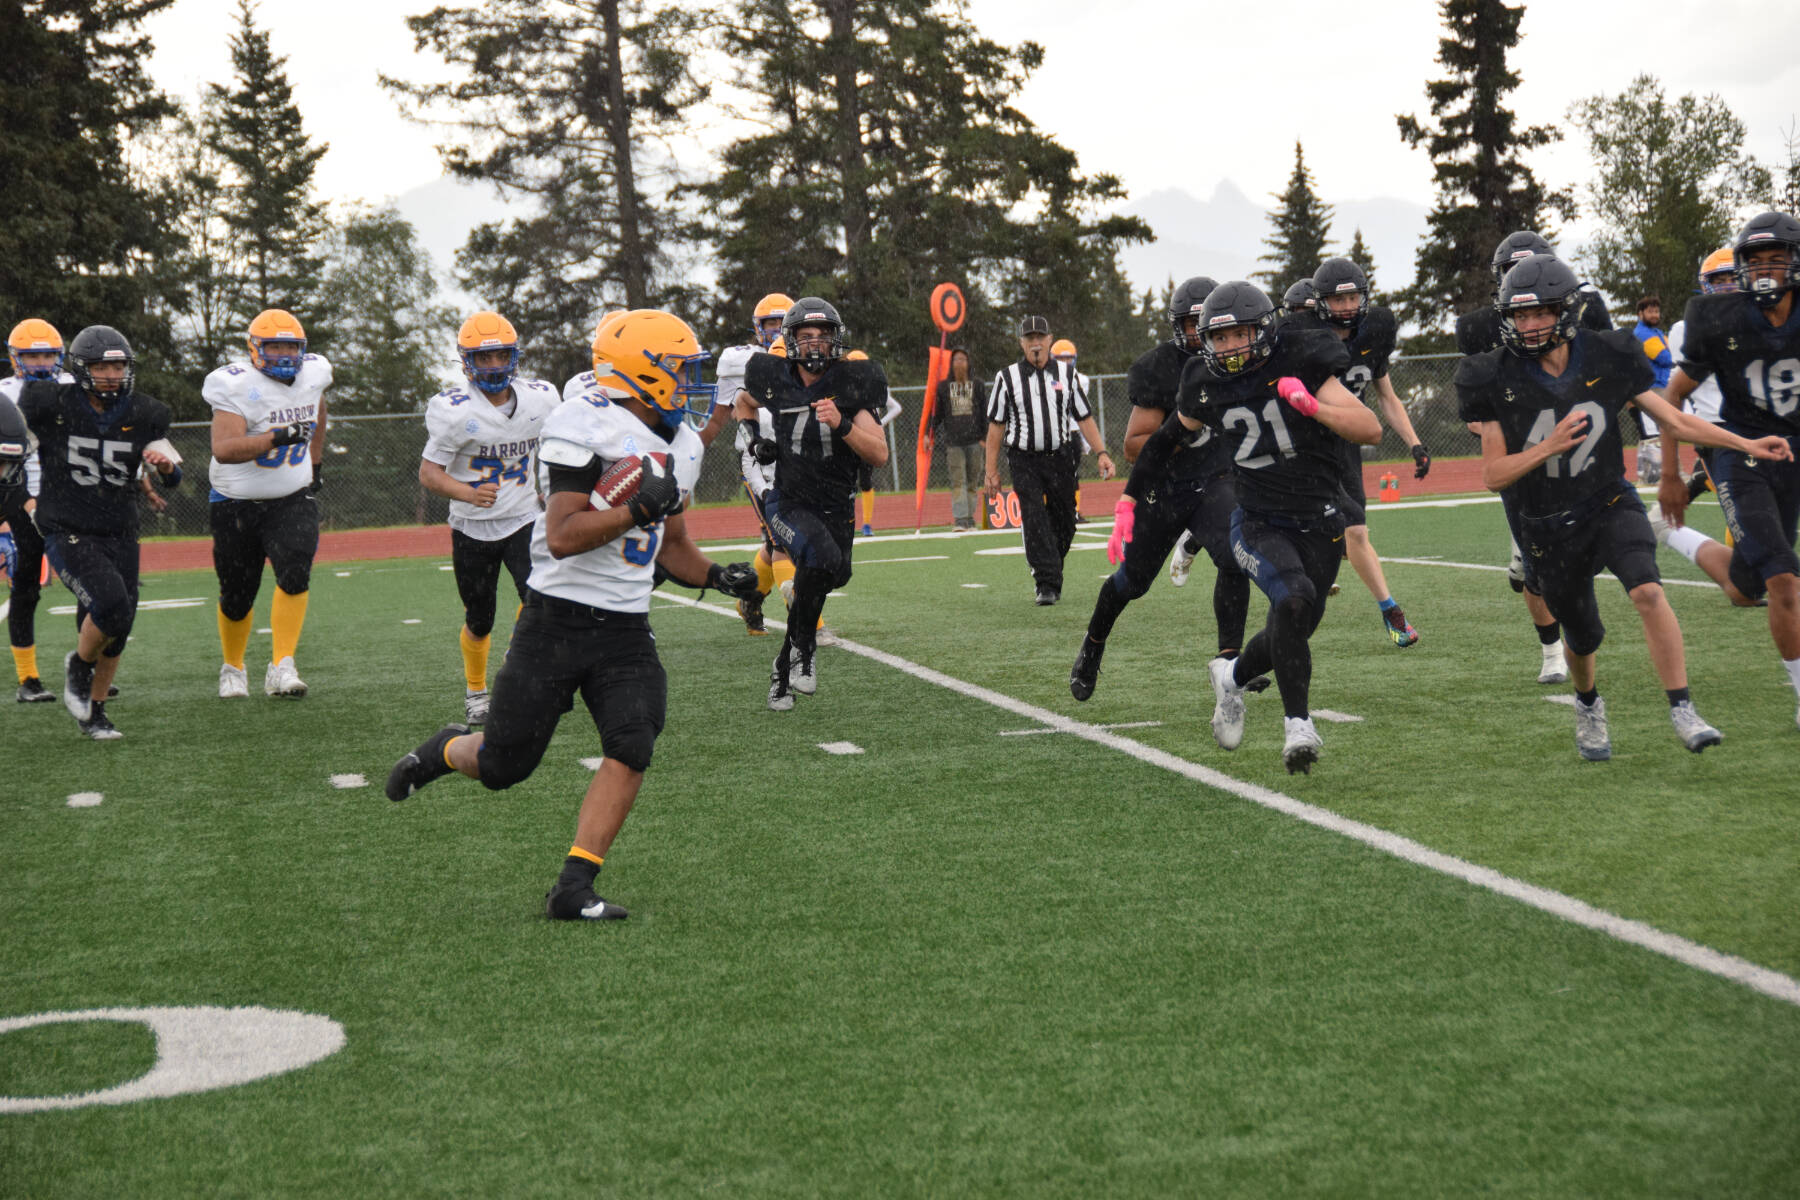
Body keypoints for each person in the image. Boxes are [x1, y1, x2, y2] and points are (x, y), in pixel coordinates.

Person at [385, 310, 759, 921]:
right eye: (677, 367)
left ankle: (574, 886)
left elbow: (672, 544)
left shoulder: (682, 440)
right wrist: (636, 509)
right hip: (555, 620)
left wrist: (718, 577)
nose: (687, 380)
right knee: (505, 766)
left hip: (626, 625)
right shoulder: (583, 424)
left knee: (634, 738)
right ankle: (447, 750)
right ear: (641, 369)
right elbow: (561, 535)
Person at [1459, 253, 1789, 759]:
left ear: (1566, 310)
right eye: (1519, 315)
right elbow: (1491, 476)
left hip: (1608, 498)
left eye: (1539, 313)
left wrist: (1746, 444)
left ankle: (1682, 707)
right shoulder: (1492, 375)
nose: (1527, 325)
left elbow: (1672, 420)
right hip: (1547, 522)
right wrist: (1546, 448)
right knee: (1583, 635)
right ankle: (1587, 701)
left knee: (1648, 590)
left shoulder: (1608, 352)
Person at [1110, 282, 1380, 773]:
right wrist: (1129, 499)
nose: (1230, 347)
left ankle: (1232, 678)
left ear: (1264, 330)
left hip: (1319, 519)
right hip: (1256, 519)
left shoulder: (1300, 356)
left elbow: (1370, 429)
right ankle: (1298, 727)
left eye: (1240, 335)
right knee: (1293, 598)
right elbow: (1163, 440)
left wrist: (1313, 407)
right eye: (1220, 337)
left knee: (1292, 626)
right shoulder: (1203, 380)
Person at [1070, 276, 1253, 702]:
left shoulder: (1236, 363)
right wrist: (1181, 433)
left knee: (1234, 555)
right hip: (1165, 489)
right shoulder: (1162, 367)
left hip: (1214, 482)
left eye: (1204, 324)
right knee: (1133, 581)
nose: (1200, 333)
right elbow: (1134, 447)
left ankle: (1228, 665)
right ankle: (1093, 644)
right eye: (1191, 324)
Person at [1654, 211, 1800, 729]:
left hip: (1793, 448)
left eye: (1775, 260)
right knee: (1783, 578)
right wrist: (1671, 475)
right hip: (1738, 449)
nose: (1764, 271)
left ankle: (1669, 536)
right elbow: (1673, 397)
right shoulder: (1723, 318)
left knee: (1746, 587)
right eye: (1754, 262)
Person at [1457, 231, 1614, 686]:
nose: (1523, 288)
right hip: (1525, 460)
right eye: (1511, 275)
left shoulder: (1586, 310)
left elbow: (1613, 380)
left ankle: (1580, 634)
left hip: (1582, 451)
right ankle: (1551, 651)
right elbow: (1477, 416)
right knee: (1538, 568)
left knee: (1596, 555)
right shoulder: (1481, 328)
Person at [18, 325, 181, 739]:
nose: (111, 373)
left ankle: (96, 711)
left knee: (120, 623)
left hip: (120, 528)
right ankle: (79, 666)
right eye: (102, 365)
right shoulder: (51, 403)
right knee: (109, 604)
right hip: (66, 526)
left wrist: (165, 467)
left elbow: (174, 476)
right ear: (81, 368)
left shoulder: (146, 412)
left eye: (119, 365)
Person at [736, 297, 890, 708]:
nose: (816, 345)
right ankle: (804, 650)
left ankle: (783, 667)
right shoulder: (775, 377)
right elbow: (742, 402)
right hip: (788, 502)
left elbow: (878, 453)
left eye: (823, 336)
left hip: (837, 506)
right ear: (791, 342)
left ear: (836, 341)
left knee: (831, 575)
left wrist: (841, 425)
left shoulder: (851, 383)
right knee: (820, 560)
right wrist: (755, 440)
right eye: (806, 337)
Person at [419, 311, 561, 724]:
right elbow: (429, 473)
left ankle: (516, 661)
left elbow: (558, 445)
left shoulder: (541, 398)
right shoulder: (452, 409)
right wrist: (467, 492)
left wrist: (550, 486)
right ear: (467, 361)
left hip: (523, 517)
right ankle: (476, 690)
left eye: (500, 355)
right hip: (472, 526)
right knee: (479, 619)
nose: (494, 365)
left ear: (514, 356)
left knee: (539, 598)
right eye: (484, 358)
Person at [1296, 257, 1430, 647]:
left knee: (1354, 528)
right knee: (1331, 525)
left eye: (1353, 297)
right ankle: (1383, 609)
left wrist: (1414, 443)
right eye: (1338, 300)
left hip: (1345, 444)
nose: (1347, 307)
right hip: (1305, 442)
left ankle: (1387, 610)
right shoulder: (1306, 339)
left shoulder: (1371, 336)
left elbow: (1386, 396)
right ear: (1320, 303)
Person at [202, 309, 329, 700]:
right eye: (274, 346)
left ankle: (282, 664)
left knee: (295, 570)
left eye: (290, 346)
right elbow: (223, 450)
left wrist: (316, 461)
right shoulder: (233, 384)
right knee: (237, 595)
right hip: (235, 502)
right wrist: (277, 438)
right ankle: (233, 666)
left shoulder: (315, 372)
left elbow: (318, 411)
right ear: (255, 349)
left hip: (290, 496)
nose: (283, 354)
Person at [983, 315, 1116, 605]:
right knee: (1033, 517)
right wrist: (990, 470)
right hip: (1024, 458)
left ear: (1050, 340)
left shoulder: (1067, 376)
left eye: (1040, 337)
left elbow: (1084, 417)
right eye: (1029, 338)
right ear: (1021, 343)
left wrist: (1102, 453)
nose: (1035, 343)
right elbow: (996, 426)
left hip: (1060, 456)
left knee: (1066, 521)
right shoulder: (1007, 378)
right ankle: (1047, 583)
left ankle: (1050, 565)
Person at [713, 293, 792, 634]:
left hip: (798, 458)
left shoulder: (806, 357)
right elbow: (724, 411)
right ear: (757, 328)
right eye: (769, 324)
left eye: (781, 323)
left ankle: (751, 597)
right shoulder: (740, 359)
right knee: (782, 540)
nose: (776, 330)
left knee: (792, 536)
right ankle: (810, 623)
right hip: (758, 459)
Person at [1, 318, 69, 702]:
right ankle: (28, 679)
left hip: (71, 500)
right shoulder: (5, 394)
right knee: (26, 587)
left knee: (90, 585)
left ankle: (87, 669)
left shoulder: (74, 387)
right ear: (16, 358)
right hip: (21, 497)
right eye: (32, 355)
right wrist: (24, 498)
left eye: (48, 354)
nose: (42, 362)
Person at [1650, 248, 1735, 543]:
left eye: (1733, 277)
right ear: (1704, 284)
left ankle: (1702, 479)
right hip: (1714, 429)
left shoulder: (1764, 323)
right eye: (1719, 279)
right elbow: (1677, 392)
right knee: (1749, 523)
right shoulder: (1686, 329)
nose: (1726, 285)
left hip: (1759, 427)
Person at [931, 347, 984, 530]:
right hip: (953, 443)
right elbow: (936, 414)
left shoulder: (977, 385)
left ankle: (970, 519)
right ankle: (960, 519)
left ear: (968, 363)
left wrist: (984, 437)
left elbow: (984, 412)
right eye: (956, 360)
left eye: (963, 359)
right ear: (951, 364)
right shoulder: (943, 387)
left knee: (972, 482)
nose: (959, 363)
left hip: (975, 441)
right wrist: (928, 434)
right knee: (958, 481)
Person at [851, 349, 903, 537]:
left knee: (865, 481)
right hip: (848, 438)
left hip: (866, 440)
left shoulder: (873, 386)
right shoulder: (840, 385)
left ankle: (866, 523)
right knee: (845, 482)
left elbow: (896, 407)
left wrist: (879, 423)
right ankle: (852, 521)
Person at [1632, 295, 1673, 483]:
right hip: (1652, 387)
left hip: (1661, 385)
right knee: (1655, 432)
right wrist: (1668, 350)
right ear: (1640, 314)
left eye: (1656, 311)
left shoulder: (1656, 332)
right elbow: (1665, 357)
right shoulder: (1643, 334)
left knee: (1660, 430)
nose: (1655, 314)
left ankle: (1651, 474)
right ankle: (1653, 475)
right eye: (1650, 311)